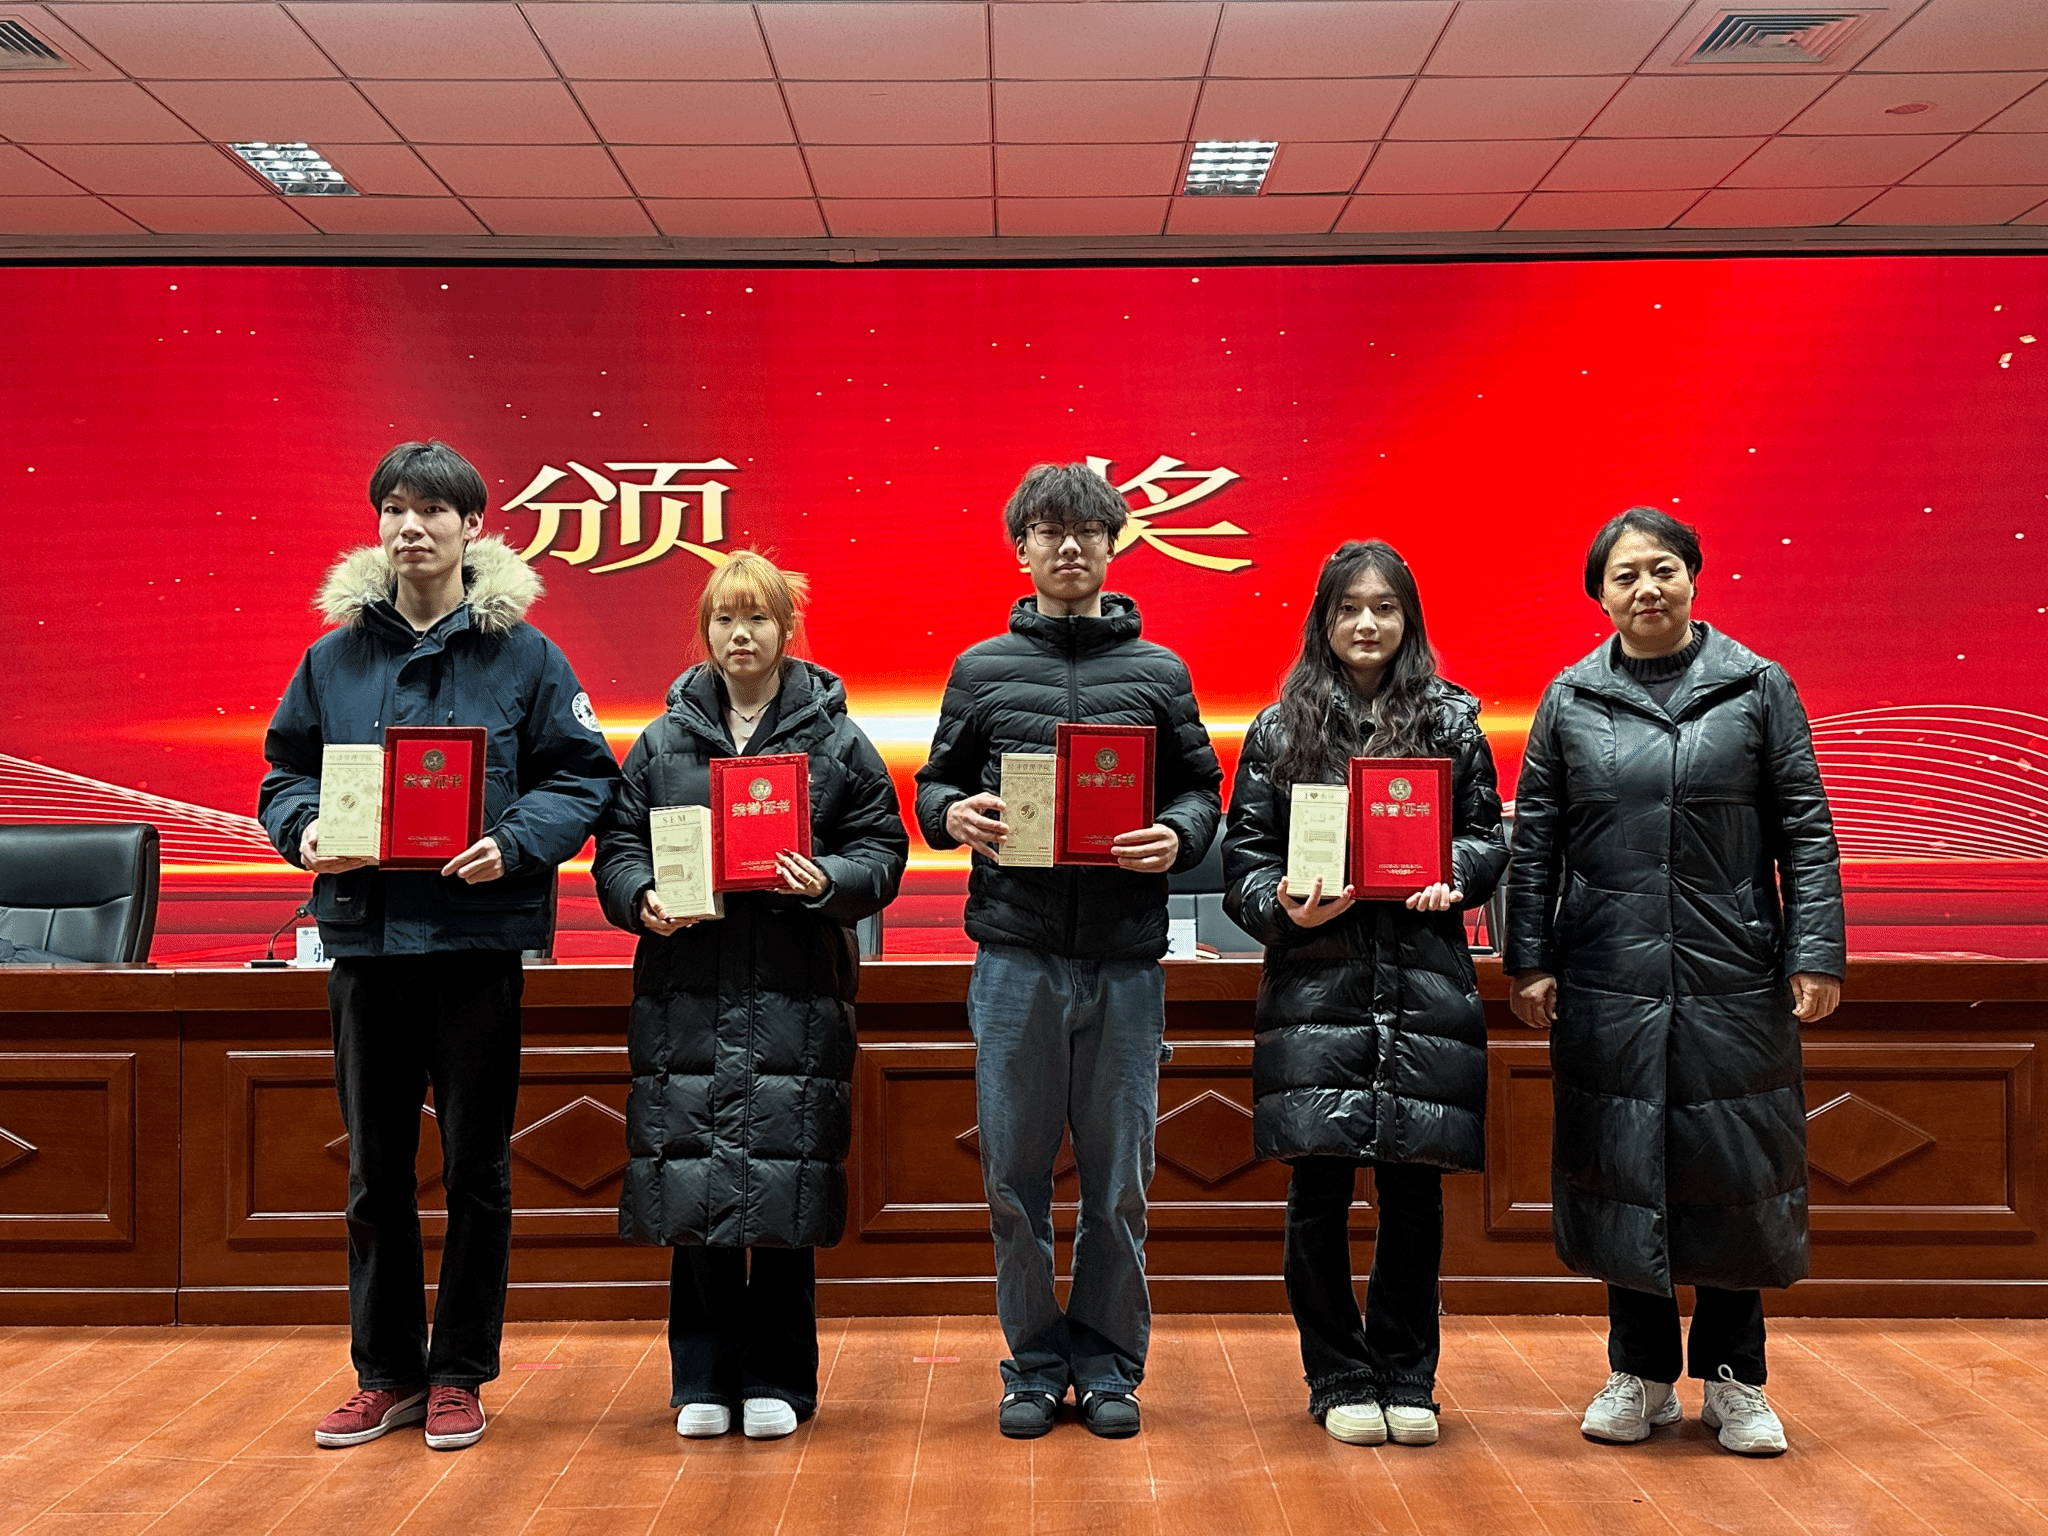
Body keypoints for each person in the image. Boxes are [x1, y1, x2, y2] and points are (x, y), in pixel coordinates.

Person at [258, 439, 621, 1452]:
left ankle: (459, 1373)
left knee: (476, 1174)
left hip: (476, 946)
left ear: (473, 526)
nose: (409, 527)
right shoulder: (331, 660)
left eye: (430, 510)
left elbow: (584, 778)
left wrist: (517, 842)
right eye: (393, 509)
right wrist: (305, 831)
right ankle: (385, 1375)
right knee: (374, 1175)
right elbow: (283, 774)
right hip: (368, 944)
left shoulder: (528, 657)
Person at [1504, 507, 1845, 1458]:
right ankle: (1641, 1373)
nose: (1646, 589)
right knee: (1624, 1164)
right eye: (1625, 576)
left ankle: (1737, 1380)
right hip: (1607, 971)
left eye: (1662, 569)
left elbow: (1806, 831)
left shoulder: (1757, 687)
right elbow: (1536, 845)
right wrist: (1528, 959)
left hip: (1732, 971)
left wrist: (1815, 951)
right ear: (1600, 596)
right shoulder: (1570, 698)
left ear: (1693, 577)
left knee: (1731, 1169)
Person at [916, 462, 1222, 1440]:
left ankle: (1108, 1362)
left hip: (1126, 960)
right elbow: (932, 787)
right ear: (1022, 550)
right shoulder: (979, 668)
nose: (1069, 547)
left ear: (1112, 544)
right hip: (1016, 955)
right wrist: (952, 815)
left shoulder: (1159, 672)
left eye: (1086, 530)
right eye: (1049, 532)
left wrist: (1179, 835)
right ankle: (1033, 1364)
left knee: (1118, 1185)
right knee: (1012, 1182)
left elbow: (1201, 792)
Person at [593, 552, 907, 1442]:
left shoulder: (837, 740)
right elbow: (616, 847)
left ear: (786, 630)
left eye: (758, 618)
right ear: (706, 632)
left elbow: (882, 851)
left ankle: (779, 1377)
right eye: (725, 619)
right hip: (685, 992)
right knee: (692, 1188)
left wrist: (827, 881)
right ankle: (700, 1377)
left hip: (794, 993)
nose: (741, 634)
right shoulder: (662, 742)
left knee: (782, 1190)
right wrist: (638, 897)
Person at [1221, 540, 1507, 1449]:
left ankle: (1408, 1376)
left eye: (1384, 607)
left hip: (1424, 984)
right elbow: (1244, 863)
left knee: (1414, 1195)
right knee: (1318, 1190)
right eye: (1349, 608)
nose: (1367, 623)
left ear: (1408, 620)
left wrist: (1452, 871)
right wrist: (1282, 907)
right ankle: (1338, 1374)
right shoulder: (1278, 730)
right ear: (1324, 621)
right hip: (1318, 985)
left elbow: (1487, 838)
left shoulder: (1452, 721)